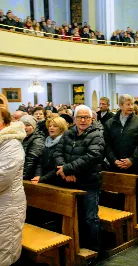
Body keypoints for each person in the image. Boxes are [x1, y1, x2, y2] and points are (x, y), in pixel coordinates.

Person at [53, 105, 104, 252]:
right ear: (74, 119)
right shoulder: (68, 133)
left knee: (90, 218)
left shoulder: (97, 135)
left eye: (86, 117)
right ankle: (77, 246)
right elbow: (58, 152)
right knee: (75, 215)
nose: (83, 120)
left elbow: (92, 157)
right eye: (80, 117)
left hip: (89, 182)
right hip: (69, 181)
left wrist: (67, 169)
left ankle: (95, 250)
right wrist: (64, 171)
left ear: (91, 119)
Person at [103, 94, 138, 222]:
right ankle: (123, 223)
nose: (131, 107)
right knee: (120, 196)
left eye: (132, 104)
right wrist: (113, 160)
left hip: (135, 166)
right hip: (117, 165)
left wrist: (132, 160)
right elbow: (106, 144)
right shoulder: (110, 122)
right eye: (127, 104)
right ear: (120, 106)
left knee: (137, 196)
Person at [0, 108, 26, 265]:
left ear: (6, 123)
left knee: (5, 248)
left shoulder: (11, 144)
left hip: (8, 204)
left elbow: (3, 176)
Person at [32, 117, 68, 185]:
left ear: (61, 128)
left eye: (55, 126)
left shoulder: (65, 143)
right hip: (43, 180)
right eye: (50, 126)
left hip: (57, 181)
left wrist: (42, 178)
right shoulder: (47, 141)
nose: (51, 128)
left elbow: (59, 166)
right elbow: (40, 162)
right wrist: (38, 175)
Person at [20, 115, 45, 180]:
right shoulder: (23, 137)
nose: (24, 127)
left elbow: (31, 160)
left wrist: (22, 176)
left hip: (30, 176)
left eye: (28, 125)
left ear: (34, 127)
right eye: (22, 125)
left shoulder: (38, 139)